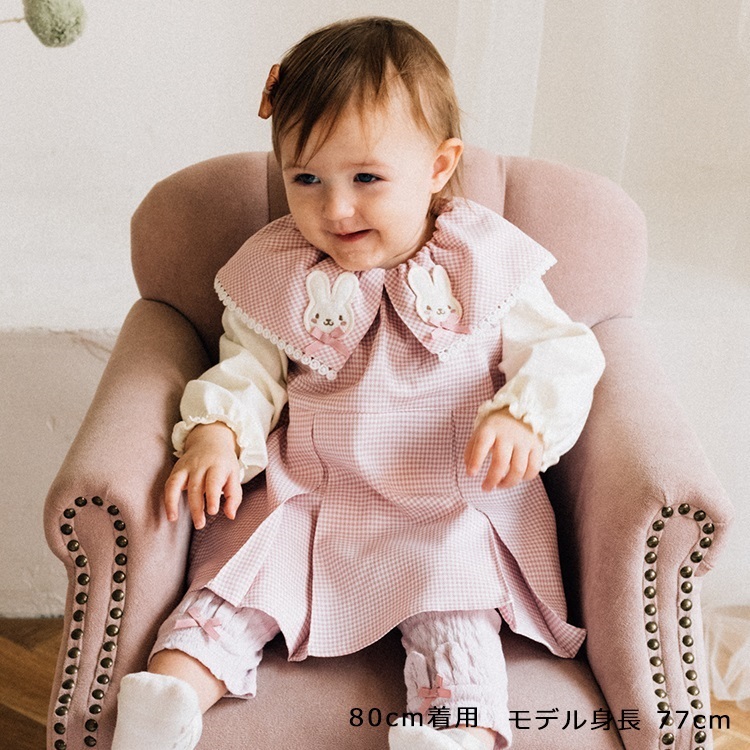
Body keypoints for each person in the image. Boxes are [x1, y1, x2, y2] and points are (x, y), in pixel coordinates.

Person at [112, 16, 605, 750]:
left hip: (441, 502)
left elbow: (565, 352)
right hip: (312, 494)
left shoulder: (482, 257)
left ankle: (451, 731)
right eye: (305, 179)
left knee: (454, 612)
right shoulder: (281, 268)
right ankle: (168, 701)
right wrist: (217, 433)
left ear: (438, 166)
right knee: (232, 593)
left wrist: (523, 415)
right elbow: (248, 370)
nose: (334, 208)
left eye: (366, 179)